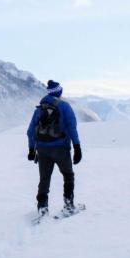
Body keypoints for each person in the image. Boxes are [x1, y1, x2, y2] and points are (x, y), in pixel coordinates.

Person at [27, 80, 81, 217]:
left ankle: (42, 209)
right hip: (61, 149)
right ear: (59, 92)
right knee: (68, 175)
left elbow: (30, 131)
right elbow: (71, 128)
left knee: (44, 179)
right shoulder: (65, 107)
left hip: (42, 149)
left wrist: (31, 149)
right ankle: (69, 206)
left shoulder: (40, 109)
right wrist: (77, 147)